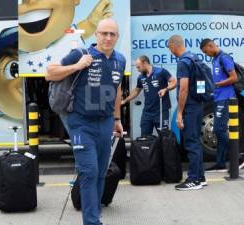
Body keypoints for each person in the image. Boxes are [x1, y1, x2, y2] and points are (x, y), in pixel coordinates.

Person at [46, 18, 125, 225]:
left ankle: (94, 216)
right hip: (81, 123)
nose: (108, 38)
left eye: (112, 34)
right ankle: (92, 222)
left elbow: (117, 89)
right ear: (96, 35)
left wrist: (117, 118)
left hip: (106, 123)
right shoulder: (81, 54)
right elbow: (50, 73)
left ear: (117, 37)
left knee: (100, 173)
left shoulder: (120, 60)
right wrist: (76, 66)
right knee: (89, 171)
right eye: (104, 33)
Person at [200, 38, 244, 172]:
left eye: (206, 51)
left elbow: (234, 78)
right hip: (218, 98)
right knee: (219, 130)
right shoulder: (215, 59)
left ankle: (239, 158)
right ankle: (220, 163)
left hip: (226, 98)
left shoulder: (224, 58)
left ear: (210, 45)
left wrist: (218, 85)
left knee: (219, 130)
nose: (206, 54)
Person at [168, 35, 206, 191]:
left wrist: (179, 113)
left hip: (190, 107)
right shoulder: (195, 58)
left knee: (190, 143)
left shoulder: (183, 62)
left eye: (170, 48)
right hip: (197, 105)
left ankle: (193, 180)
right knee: (195, 141)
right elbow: (201, 85)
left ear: (173, 46)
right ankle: (201, 177)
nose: (170, 51)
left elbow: (183, 89)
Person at [122, 55, 176, 135]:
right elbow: (137, 91)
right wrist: (125, 100)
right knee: (144, 136)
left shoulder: (161, 71)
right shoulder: (141, 77)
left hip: (161, 111)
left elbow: (174, 82)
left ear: (145, 63)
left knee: (164, 137)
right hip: (147, 112)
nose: (138, 70)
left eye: (138, 67)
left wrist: (166, 89)